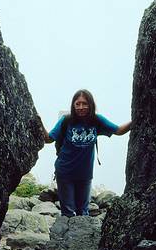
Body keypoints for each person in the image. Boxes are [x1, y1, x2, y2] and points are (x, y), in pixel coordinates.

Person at [39, 89, 132, 217]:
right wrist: (40, 123)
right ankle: (67, 237)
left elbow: (118, 130)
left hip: (85, 175)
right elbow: (49, 139)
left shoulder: (97, 120)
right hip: (65, 173)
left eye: (85, 103)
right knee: (68, 212)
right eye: (77, 104)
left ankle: (83, 237)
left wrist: (136, 119)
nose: (81, 107)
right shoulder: (66, 121)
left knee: (83, 212)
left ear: (91, 105)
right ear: (73, 105)